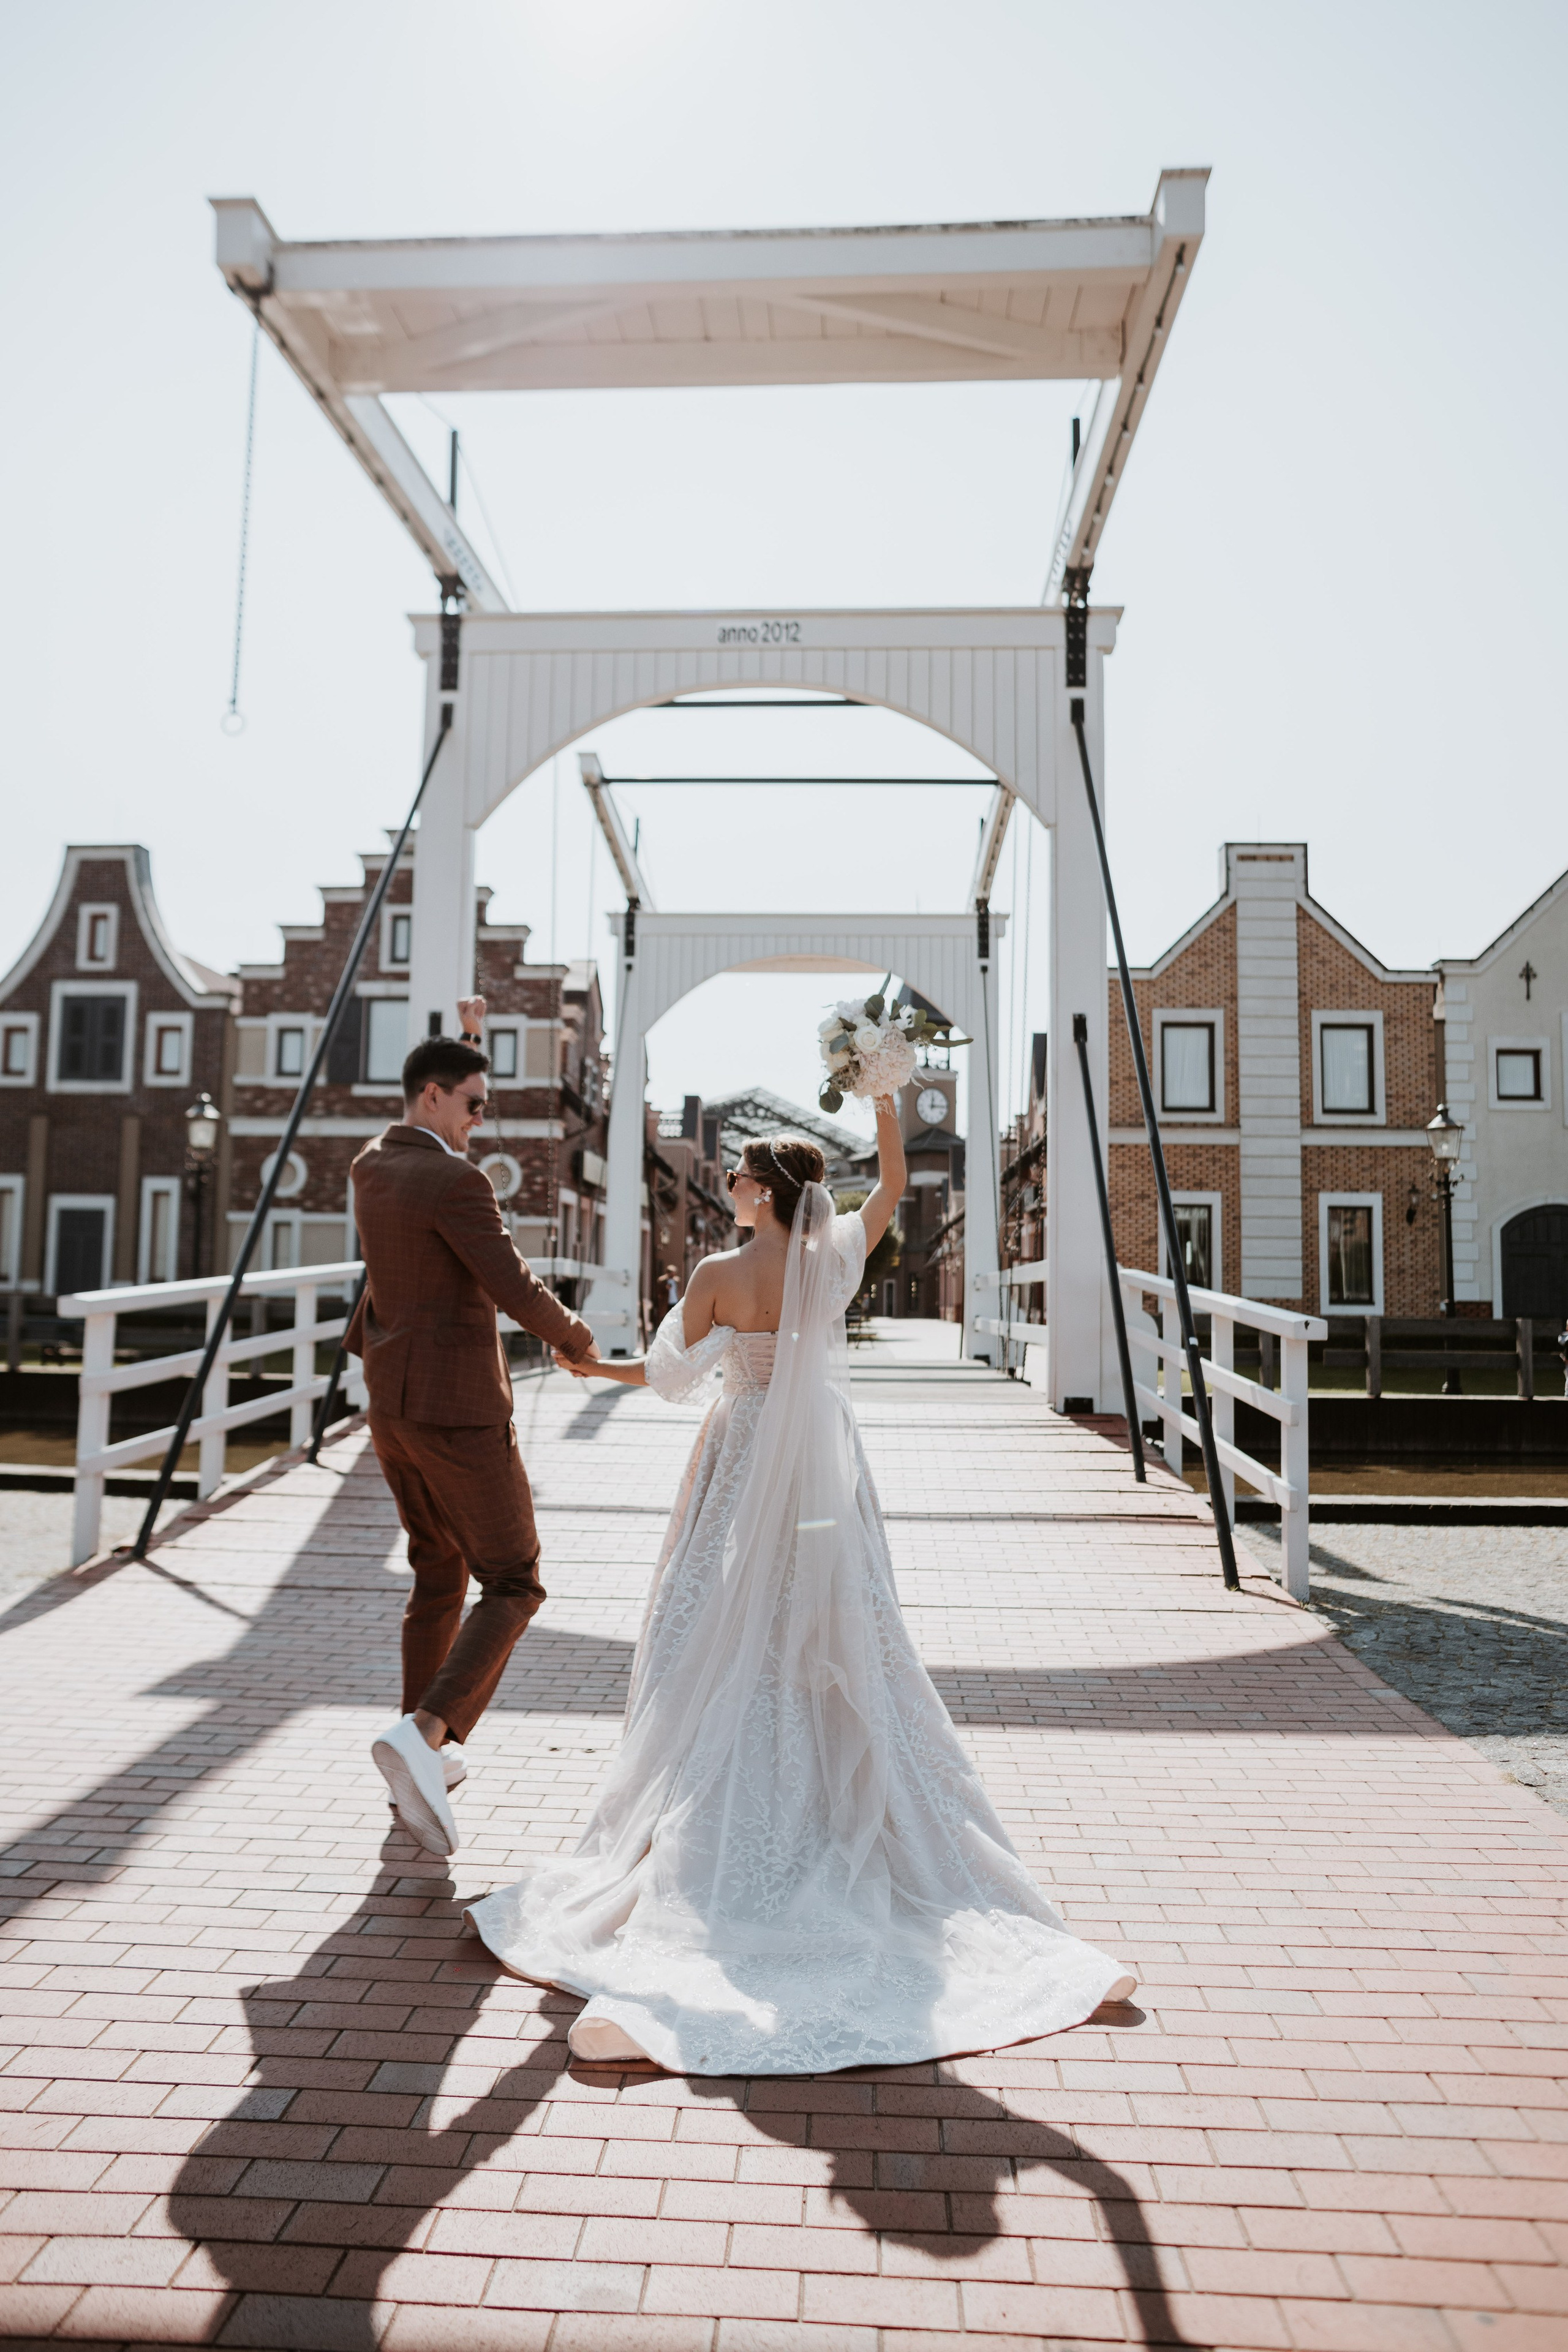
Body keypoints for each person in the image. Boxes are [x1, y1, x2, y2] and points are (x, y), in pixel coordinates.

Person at [464, 1095, 1134, 2074]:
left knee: (720, 1630)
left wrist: (588, 1367)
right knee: (831, 1622)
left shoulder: (719, 1273)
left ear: (763, 1193)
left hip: (739, 1465)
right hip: (825, 1466)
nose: (727, 1186)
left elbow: (666, 1379)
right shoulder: (830, 1262)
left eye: (737, 1176)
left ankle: (721, 1812)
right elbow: (896, 1184)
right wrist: (886, 1093)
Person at [347, 997, 598, 1858]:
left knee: (436, 1571)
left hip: (391, 1403)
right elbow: (510, 1280)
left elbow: (437, 1142)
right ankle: (425, 1734)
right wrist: (575, 1338)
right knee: (515, 1580)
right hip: (457, 1410)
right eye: (475, 1103)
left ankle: (419, 1759)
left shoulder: (373, 1166)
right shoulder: (458, 1180)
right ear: (432, 1100)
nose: (482, 1118)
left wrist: (472, 1044)